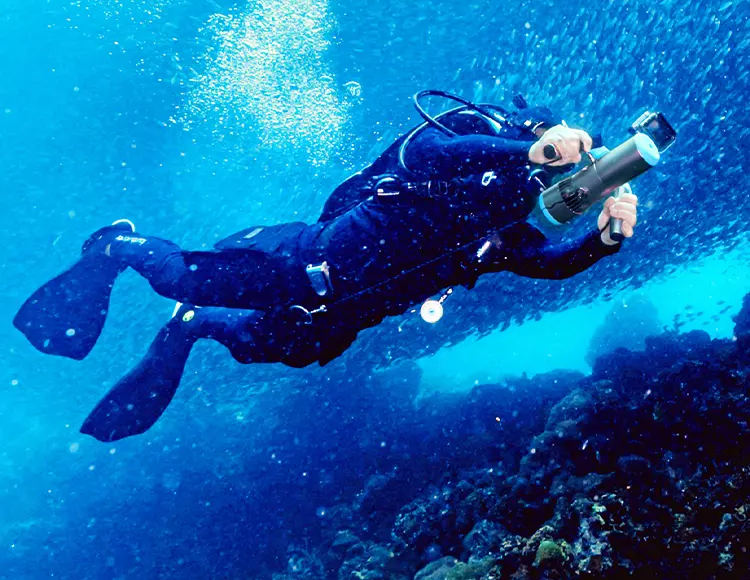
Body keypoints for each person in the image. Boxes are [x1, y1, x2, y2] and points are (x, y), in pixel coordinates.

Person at [14, 94, 638, 442]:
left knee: (261, 349)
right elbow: (438, 153)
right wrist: (521, 144)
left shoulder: (502, 230)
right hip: (296, 262)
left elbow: (551, 267)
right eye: (543, 151)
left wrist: (603, 242)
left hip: (337, 320)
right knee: (179, 274)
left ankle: (193, 325)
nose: (540, 172)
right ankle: (117, 245)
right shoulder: (453, 139)